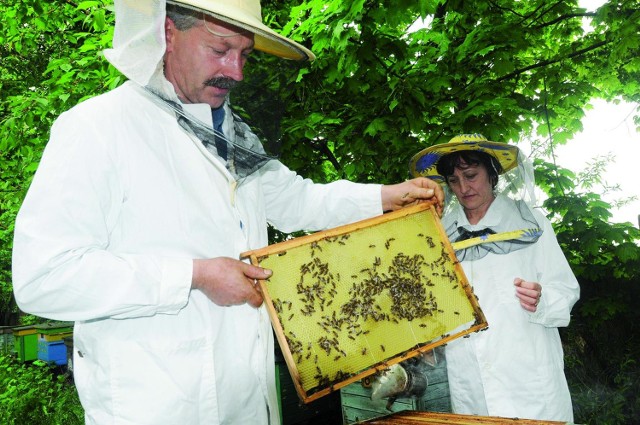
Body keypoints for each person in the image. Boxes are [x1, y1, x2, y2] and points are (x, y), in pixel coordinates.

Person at [11, 1, 444, 424]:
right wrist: (194, 276)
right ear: (168, 34)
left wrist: (387, 196)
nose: (235, 71)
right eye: (220, 50)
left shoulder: (234, 138)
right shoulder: (98, 128)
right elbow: (43, 277)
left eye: (244, 54)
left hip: (249, 399)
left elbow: (299, 199)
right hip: (157, 405)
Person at [409, 134, 580, 422]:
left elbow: (565, 288)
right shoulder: (440, 233)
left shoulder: (530, 222)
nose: (463, 188)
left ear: (492, 173)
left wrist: (542, 299)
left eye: (471, 175)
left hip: (529, 379)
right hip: (470, 381)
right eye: (453, 180)